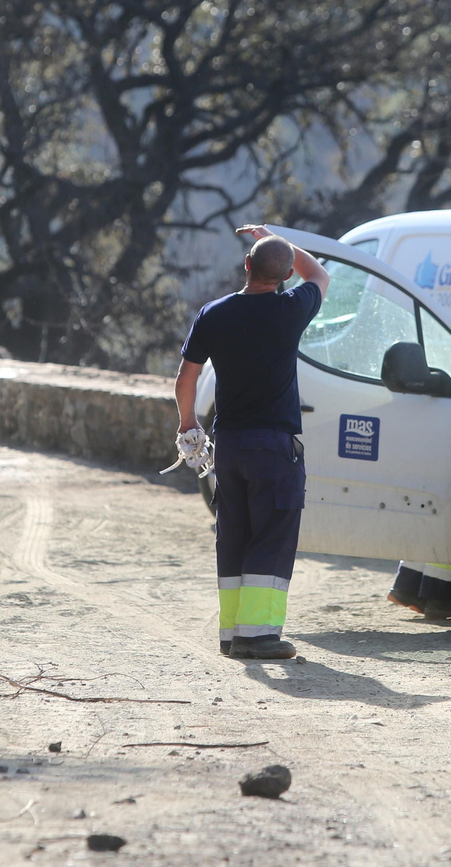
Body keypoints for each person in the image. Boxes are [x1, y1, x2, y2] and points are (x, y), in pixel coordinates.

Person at [174, 226, 330, 660]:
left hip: (230, 444)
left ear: (246, 266)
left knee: (234, 534)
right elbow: (319, 275)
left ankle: (231, 634)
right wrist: (276, 238)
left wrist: (189, 424)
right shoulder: (291, 308)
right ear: (282, 277)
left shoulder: (214, 313)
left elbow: (186, 377)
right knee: (273, 533)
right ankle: (258, 636)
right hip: (274, 446)